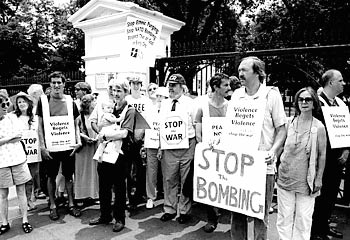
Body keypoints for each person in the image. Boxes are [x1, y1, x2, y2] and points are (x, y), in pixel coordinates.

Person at [229, 56, 287, 240]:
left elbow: (282, 129)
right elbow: (230, 127)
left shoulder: (271, 95)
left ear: (257, 73)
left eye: (244, 70)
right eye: (239, 70)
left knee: (260, 214)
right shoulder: (237, 95)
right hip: (239, 165)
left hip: (263, 166)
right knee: (236, 214)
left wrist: (274, 151)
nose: (240, 74)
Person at [277, 87, 327, 240]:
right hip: (285, 178)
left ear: (314, 103)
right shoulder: (289, 122)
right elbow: (279, 146)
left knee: (303, 220)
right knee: (284, 217)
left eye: (308, 99)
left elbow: (322, 155)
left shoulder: (318, 127)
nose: (304, 102)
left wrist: (319, 178)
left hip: (306, 181)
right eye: (301, 99)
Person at [88, 78, 136, 233]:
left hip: (121, 153)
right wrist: (102, 132)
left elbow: (124, 133)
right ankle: (105, 215)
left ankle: (119, 218)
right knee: (104, 185)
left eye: (119, 91)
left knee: (120, 186)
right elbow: (99, 124)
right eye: (113, 90)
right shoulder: (108, 108)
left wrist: (105, 136)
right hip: (105, 152)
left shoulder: (130, 110)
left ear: (126, 92)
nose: (115, 94)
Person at [37, 71, 82, 221]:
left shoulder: (70, 101)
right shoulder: (43, 101)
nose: (56, 85)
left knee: (69, 176)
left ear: (64, 84)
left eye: (59, 82)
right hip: (51, 148)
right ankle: (52, 206)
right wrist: (42, 146)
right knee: (51, 176)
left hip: (68, 146)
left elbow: (76, 125)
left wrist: (78, 141)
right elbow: (40, 126)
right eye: (53, 82)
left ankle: (71, 204)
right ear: (50, 85)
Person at [311, 69, 349, 240]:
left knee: (331, 194)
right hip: (320, 158)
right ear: (331, 83)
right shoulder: (317, 103)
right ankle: (314, 230)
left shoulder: (340, 104)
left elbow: (346, 129)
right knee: (318, 195)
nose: (344, 83)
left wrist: (347, 149)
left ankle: (324, 225)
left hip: (337, 159)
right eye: (340, 80)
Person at [195, 73, 231, 232]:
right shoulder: (203, 107)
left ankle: (226, 214)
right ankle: (212, 218)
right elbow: (198, 133)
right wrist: (205, 147)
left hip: (226, 154)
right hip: (209, 155)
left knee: (225, 184)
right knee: (210, 186)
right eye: (226, 85)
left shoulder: (230, 107)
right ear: (216, 87)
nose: (229, 88)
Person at [159, 73, 197, 224]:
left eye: (174, 86)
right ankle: (169, 208)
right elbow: (161, 126)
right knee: (169, 179)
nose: (171, 89)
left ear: (182, 87)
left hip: (187, 145)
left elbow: (195, 123)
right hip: (169, 147)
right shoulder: (164, 103)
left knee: (185, 179)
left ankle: (185, 211)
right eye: (169, 86)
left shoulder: (191, 103)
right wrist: (161, 147)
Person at [0, 89, 33, 235]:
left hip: (18, 159)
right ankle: (4, 222)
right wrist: (9, 138)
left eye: (7, 103)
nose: (6, 106)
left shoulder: (13, 117)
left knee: (21, 191)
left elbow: (19, 135)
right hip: (1, 162)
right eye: (3, 104)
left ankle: (25, 219)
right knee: (2, 194)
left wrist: (3, 140)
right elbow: (13, 137)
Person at [125, 76, 152, 209]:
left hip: (141, 138)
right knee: (129, 170)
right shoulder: (126, 99)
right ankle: (130, 196)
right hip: (128, 139)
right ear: (130, 85)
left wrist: (142, 135)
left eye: (138, 84)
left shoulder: (146, 101)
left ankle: (140, 193)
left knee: (141, 168)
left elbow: (149, 119)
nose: (136, 86)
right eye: (133, 83)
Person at [14, 92, 41, 212]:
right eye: (19, 102)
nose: (21, 104)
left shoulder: (34, 116)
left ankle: (29, 199)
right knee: (22, 179)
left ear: (28, 102)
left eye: (23, 101)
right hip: (20, 152)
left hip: (34, 152)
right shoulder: (13, 117)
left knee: (32, 176)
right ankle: (23, 202)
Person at [144, 86, 168, 209]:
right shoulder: (150, 110)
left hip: (166, 146)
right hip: (151, 145)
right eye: (157, 96)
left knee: (167, 173)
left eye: (161, 96)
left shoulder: (170, 111)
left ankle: (168, 198)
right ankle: (150, 197)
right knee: (151, 172)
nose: (159, 99)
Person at [74, 94, 99, 206]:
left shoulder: (97, 116)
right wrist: (85, 138)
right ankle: (81, 195)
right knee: (82, 171)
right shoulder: (80, 117)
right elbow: (76, 131)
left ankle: (95, 194)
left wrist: (96, 138)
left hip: (95, 146)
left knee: (94, 171)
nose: (95, 103)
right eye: (93, 101)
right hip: (83, 148)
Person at [27, 84, 47, 200]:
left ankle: (41, 189)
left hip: (42, 140)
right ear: (35, 94)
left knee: (42, 168)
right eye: (41, 92)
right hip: (34, 142)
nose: (43, 94)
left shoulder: (42, 106)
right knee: (36, 168)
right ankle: (37, 190)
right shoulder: (31, 109)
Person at [93, 98, 123, 162]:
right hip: (108, 131)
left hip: (108, 130)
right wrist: (120, 118)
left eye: (112, 108)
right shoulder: (106, 115)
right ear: (103, 109)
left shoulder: (110, 114)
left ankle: (100, 155)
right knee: (116, 139)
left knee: (103, 144)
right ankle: (117, 148)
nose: (110, 110)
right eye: (108, 108)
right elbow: (113, 120)